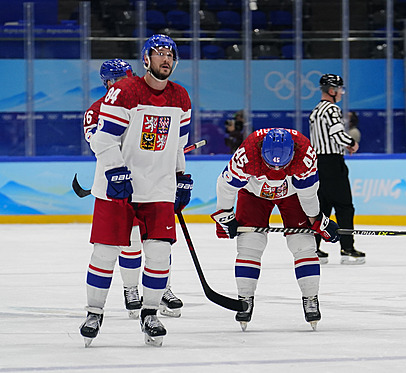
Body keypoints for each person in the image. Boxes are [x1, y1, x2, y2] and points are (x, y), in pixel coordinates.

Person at [79, 34, 193, 347]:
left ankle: (150, 312)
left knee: (159, 253)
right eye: (159, 54)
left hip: (158, 189)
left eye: (170, 54)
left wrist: (181, 175)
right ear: (146, 59)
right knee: (105, 253)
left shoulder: (181, 97)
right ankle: (94, 312)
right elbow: (102, 140)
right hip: (116, 191)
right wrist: (116, 170)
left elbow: (177, 145)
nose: (165, 59)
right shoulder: (125, 91)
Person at [210, 128, 340, 331]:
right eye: (270, 164)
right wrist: (225, 215)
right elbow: (226, 185)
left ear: (293, 153)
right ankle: (245, 298)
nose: (276, 171)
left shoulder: (305, 153)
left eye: (282, 165)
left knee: (303, 245)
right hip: (253, 193)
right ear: (261, 151)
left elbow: (308, 195)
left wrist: (318, 221)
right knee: (250, 245)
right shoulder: (248, 153)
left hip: (293, 194)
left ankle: (310, 297)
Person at [309, 73, 365, 265]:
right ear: (331, 91)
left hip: (317, 163)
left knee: (321, 207)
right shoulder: (332, 109)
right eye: (340, 89)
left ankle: (313, 248)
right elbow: (337, 133)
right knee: (344, 206)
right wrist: (351, 143)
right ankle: (347, 248)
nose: (341, 92)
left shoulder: (315, 110)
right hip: (332, 163)